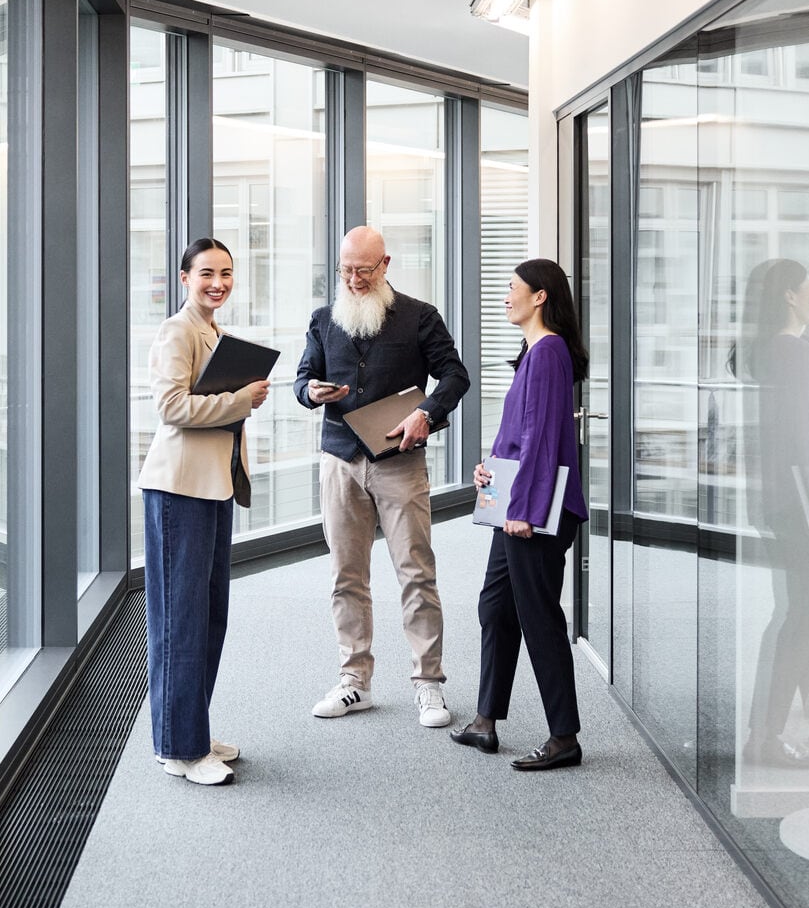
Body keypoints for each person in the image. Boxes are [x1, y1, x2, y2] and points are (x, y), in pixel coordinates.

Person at [295, 226, 471, 728]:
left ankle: (428, 684)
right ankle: (355, 680)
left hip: (399, 460)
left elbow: (456, 375)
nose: (352, 280)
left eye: (363, 270)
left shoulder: (419, 317)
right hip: (340, 461)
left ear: (385, 264)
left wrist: (426, 414)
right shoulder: (323, 319)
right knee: (346, 575)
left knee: (416, 572)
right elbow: (302, 379)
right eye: (346, 270)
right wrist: (312, 392)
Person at [136, 238, 272, 786]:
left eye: (227, 273)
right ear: (186, 276)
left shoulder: (213, 332)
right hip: (179, 491)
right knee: (179, 621)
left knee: (210, 617)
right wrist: (240, 400)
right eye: (208, 273)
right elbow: (170, 407)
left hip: (213, 488)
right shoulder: (177, 331)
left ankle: (190, 727)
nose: (218, 282)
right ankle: (178, 747)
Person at [450, 258, 589, 770]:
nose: (506, 297)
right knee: (496, 607)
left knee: (539, 618)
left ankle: (564, 737)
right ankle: (486, 719)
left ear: (540, 297)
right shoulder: (534, 353)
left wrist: (524, 508)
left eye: (513, 289)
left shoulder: (549, 352)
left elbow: (544, 438)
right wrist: (490, 469)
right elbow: (521, 432)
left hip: (533, 513)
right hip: (513, 503)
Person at [736, 258, 809, 770]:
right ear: (792, 296)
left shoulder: (769, 349)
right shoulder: (794, 351)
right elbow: (800, 439)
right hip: (798, 503)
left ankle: (773, 729)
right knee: (797, 615)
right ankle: (766, 735)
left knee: (791, 613)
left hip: (778, 500)